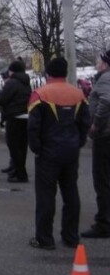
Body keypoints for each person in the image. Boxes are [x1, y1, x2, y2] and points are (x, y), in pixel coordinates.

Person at [27, 57, 90, 250]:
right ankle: (71, 237)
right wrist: (78, 143)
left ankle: (45, 239)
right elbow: (85, 123)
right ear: (65, 72)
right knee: (71, 193)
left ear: (48, 73)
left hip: (48, 153)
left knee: (46, 196)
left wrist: (36, 148)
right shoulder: (79, 94)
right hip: (70, 151)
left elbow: (33, 126)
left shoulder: (40, 94)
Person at [81, 50, 110, 238]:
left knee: (102, 180)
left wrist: (95, 124)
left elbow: (106, 101)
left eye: (99, 60)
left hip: (105, 136)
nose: (97, 63)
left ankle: (104, 223)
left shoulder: (106, 78)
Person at [0, 60, 32, 183]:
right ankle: (17, 171)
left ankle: (20, 174)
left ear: (12, 70)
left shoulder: (12, 83)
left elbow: (1, 99)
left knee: (14, 147)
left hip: (14, 117)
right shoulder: (26, 83)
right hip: (25, 117)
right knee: (22, 147)